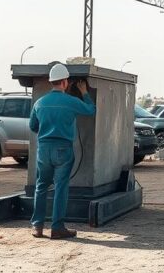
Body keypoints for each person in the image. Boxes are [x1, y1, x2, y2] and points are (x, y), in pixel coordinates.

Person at [29, 63, 96, 239]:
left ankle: (37, 226)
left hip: (44, 149)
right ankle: (57, 228)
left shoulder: (39, 103)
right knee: (60, 187)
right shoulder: (71, 102)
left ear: (51, 82)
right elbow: (91, 110)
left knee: (41, 186)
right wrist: (84, 92)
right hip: (63, 149)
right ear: (65, 82)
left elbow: (33, 126)